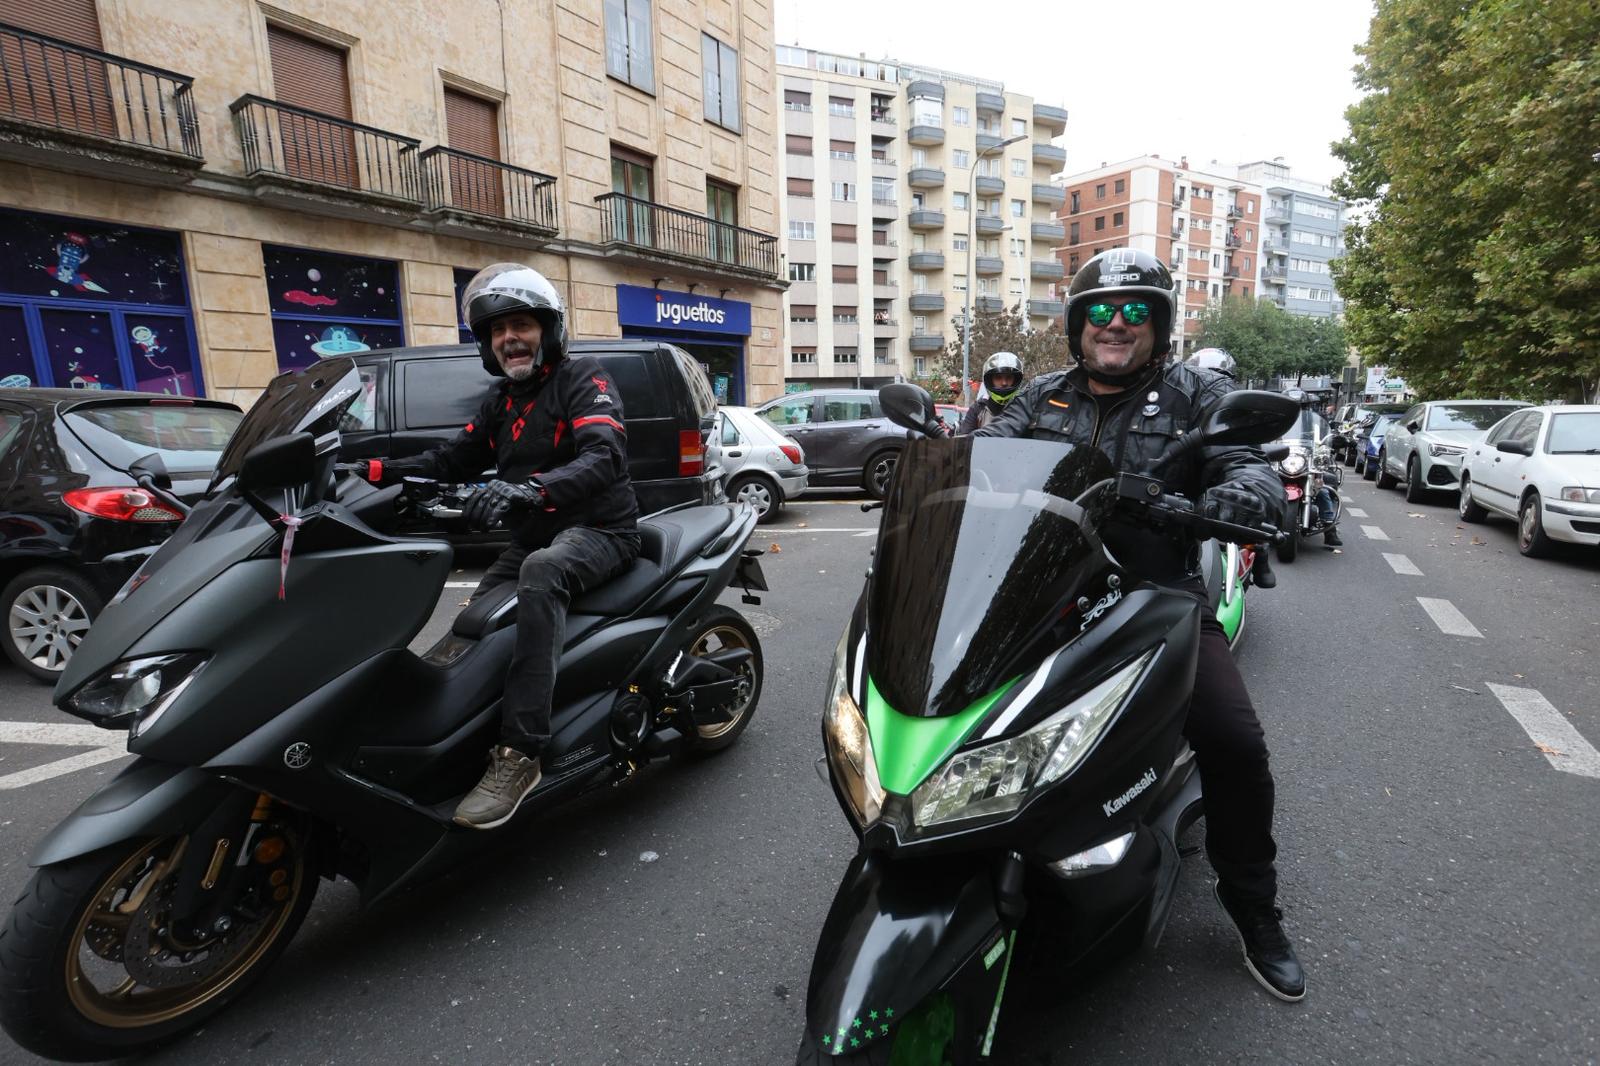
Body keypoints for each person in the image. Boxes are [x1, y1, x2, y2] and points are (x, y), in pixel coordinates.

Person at [974, 249, 1305, 1002]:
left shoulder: (1196, 393)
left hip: (1155, 597)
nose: (1115, 324)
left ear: (1157, 323)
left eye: (1133, 311)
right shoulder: (1042, 396)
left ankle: (1251, 901)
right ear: (1077, 325)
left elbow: (1244, 462)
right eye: (1099, 311)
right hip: (1046, 594)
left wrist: (1246, 495)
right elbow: (985, 455)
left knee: (1234, 741)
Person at [351, 263, 640, 829]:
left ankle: (520, 754)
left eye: (521, 325)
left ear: (548, 330)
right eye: (497, 330)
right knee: (475, 622)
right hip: (535, 537)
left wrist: (531, 490)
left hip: (601, 530)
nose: (509, 338)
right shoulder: (503, 400)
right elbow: (451, 460)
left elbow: (604, 455)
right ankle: (441, 726)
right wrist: (372, 471)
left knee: (542, 573)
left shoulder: (584, 379)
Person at [1185, 348, 1282, 581]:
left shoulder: (1236, 406)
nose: (1211, 382)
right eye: (1204, 374)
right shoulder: (1178, 400)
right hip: (1180, 505)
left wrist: (1247, 491)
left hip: (1219, 493)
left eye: (1218, 377)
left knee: (1246, 514)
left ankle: (1260, 554)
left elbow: (1243, 457)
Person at [956, 351, 1024, 434]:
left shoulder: (1023, 408)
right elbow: (965, 438)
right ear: (989, 380)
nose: (1004, 383)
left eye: (1009, 377)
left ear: (1016, 380)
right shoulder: (978, 409)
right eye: (998, 378)